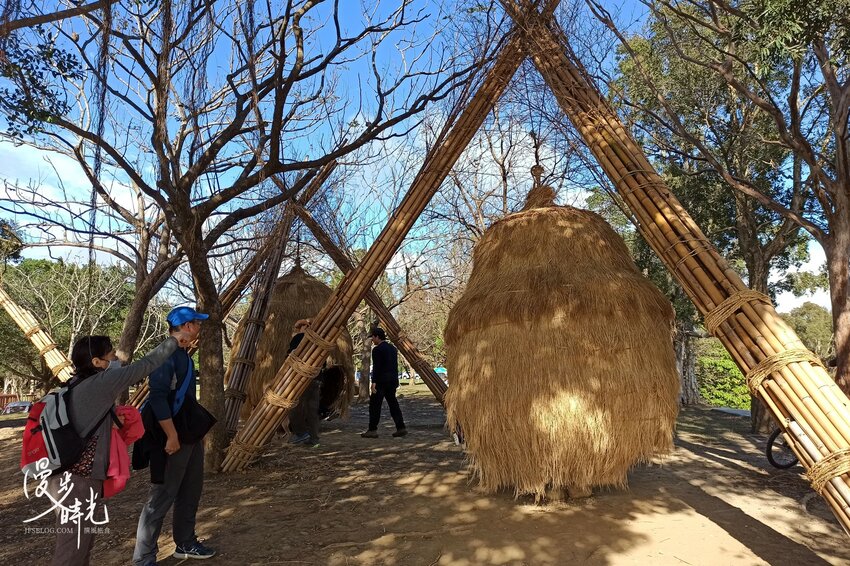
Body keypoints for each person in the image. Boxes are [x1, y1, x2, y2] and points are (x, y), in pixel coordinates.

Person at [45, 330, 193, 566]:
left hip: (64, 477)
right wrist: (173, 341)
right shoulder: (101, 382)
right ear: (96, 362)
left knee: (81, 542)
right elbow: (147, 364)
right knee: (72, 548)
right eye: (111, 355)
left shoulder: (75, 384)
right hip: (76, 480)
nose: (116, 359)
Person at [133, 307, 216, 565]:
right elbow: (157, 398)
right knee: (161, 497)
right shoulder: (165, 357)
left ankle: (185, 542)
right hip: (170, 435)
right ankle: (144, 558)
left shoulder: (183, 355)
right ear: (187, 326)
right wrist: (171, 436)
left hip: (188, 433)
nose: (199, 329)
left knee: (191, 490)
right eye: (197, 324)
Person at [361, 327, 407, 438]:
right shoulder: (392, 348)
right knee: (393, 404)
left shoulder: (377, 350)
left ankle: (372, 429)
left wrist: (374, 382)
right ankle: (401, 427)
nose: (372, 340)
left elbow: (377, 367)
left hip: (381, 382)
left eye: (372, 337)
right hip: (392, 381)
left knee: (375, 406)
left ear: (377, 337)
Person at [287, 319, 322, 447]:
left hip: (302, 379)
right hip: (316, 379)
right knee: (312, 410)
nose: (297, 330)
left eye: (299, 327)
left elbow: (291, 356)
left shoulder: (300, 338)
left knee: (293, 406)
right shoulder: (319, 341)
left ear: (304, 327)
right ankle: (314, 439)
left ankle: (301, 433)